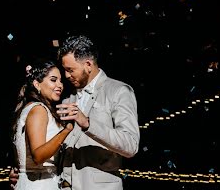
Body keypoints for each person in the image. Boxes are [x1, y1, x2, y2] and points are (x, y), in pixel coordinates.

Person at [10, 35, 139, 190]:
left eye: (70, 70)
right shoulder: (65, 99)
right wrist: (26, 171)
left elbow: (131, 145)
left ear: (88, 65)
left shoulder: (118, 91)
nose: (66, 76)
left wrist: (87, 124)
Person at [12, 60, 75, 190]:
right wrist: (66, 129)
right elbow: (38, 155)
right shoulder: (39, 109)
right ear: (37, 84)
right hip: (40, 184)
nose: (60, 85)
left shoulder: (32, 108)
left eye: (60, 80)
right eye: (53, 80)